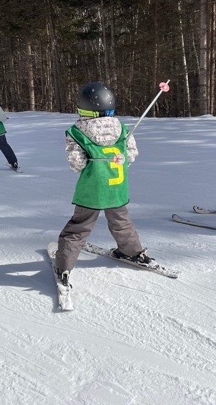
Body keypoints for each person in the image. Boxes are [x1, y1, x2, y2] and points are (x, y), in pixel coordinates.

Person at [53, 81, 151, 287]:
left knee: (79, 228)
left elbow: (77, 164)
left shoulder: (77, 132)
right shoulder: (123, 130)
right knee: (121, 222)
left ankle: (63, 267)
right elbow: (131, 156)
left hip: (92, 191)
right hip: (117, 189)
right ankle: (133, 252)